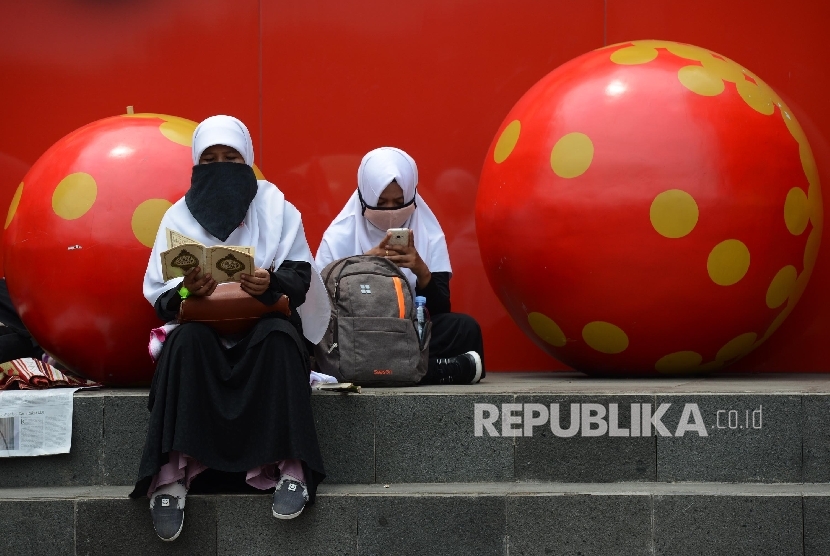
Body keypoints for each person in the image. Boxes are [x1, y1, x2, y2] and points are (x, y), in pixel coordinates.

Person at [129, 115, 330, 542]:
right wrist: (188, 290)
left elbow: (299, 277)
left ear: (249, 160)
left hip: (262, 323)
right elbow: (162, 298)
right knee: (185, 342)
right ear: (196, 166)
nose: (221, 166)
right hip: (204, 325)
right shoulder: (177, 218)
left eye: (231, 157)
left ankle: (291, 470)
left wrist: (268, 282)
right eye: (210, 159)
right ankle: (169, 478)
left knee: (279, 339)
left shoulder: (277, 207)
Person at [315, 146, 484, 385]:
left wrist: (420, 269)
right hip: (357, 334)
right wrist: (364, 264)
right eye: (381, 202)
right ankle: (432, 371)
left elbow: (440, 310)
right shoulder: (340, 235)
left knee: (464, 329)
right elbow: (319, 307)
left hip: (407, 331)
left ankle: (382, 371)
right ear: (365, 196)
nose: (391, 211)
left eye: (399, 202)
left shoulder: (428, 232)